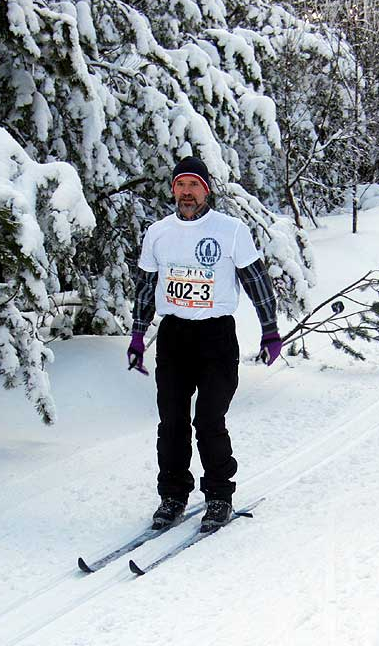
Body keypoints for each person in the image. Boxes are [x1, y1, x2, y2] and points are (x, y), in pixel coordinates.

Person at [127, 156, 282, 533]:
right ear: (173, 190)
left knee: (209, 419)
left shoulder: (231, 230)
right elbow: (146, 288)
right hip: (174, 337)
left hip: (216, 337)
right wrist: (137, 336)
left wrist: (270, 331)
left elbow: (257, 282)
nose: (187, 192)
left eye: (194, 185)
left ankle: (218, 496)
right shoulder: (158, 233)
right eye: (181, 184)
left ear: (206, 190)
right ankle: (173, 496)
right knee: (172, 421)